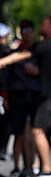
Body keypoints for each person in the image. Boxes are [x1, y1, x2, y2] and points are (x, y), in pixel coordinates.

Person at [0, 17, 51, 177]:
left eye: (44, 24)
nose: (41, 26)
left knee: (37, 130)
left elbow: (25, 59)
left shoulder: (43, 47)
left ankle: (46, 169)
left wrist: (6, 61)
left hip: (48, 97)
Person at [7, 19, 40, 177]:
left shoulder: (38, 50)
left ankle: (30, 165)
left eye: (28, 30)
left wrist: (35, 70)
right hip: (17, 94)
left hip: (33, 94)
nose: (26, 33)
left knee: (33, 132)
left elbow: (44, 70)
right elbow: (7, 75)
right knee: (18, 132)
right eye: (23, 30)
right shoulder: (14, 50)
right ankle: (16, 166)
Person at [0, 23, 11, 164]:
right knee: (4, 125)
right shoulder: (6, 51)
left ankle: (3, 150)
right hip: (3, 93)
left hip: (4, 93)